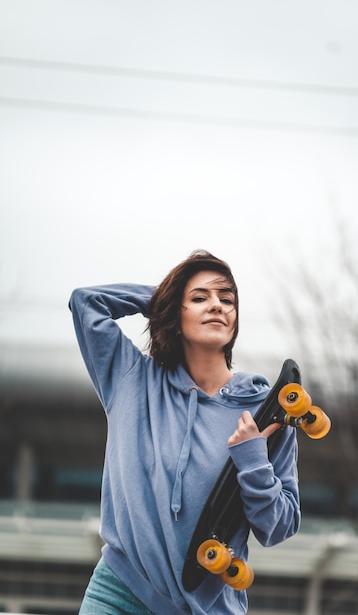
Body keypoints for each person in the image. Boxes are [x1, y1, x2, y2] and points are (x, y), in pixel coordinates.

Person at [69, 250, 300, 615]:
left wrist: (254, 461)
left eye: (227, 300)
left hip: (209, 607)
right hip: (119, 592)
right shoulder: (131, 380)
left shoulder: (266, 410)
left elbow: (279, 527)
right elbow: (87, 302)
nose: (217, 306)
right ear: (175, 314)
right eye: (199, 298)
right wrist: (165, 299)